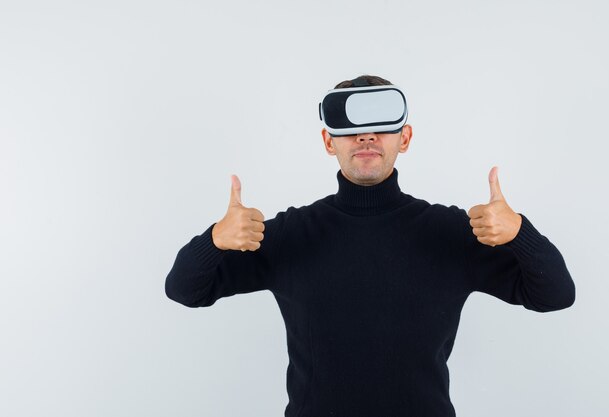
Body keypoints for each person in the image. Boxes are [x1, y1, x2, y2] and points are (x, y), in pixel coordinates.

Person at [164, 74, 576, 417]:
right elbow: (184, 289)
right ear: (329, 142)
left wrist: (521, 232)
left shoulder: (451, 234)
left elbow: (555, 295)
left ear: (406, 137)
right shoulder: (291, 235)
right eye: (351, 129)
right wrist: (215, 240)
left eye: (381, 125)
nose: (366, 137)